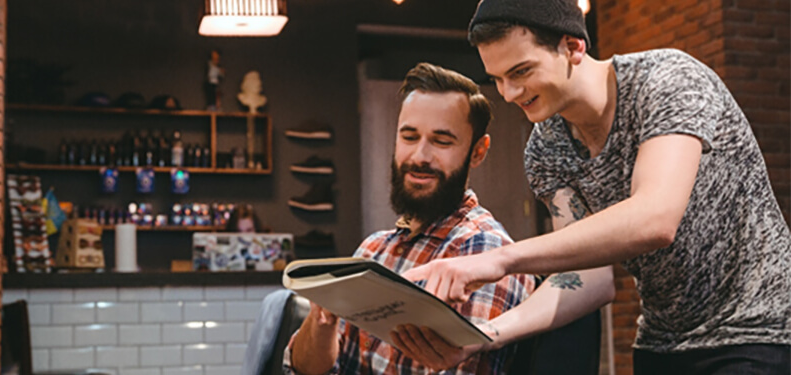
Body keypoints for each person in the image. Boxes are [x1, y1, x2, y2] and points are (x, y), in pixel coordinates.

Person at [402, 0, 791, 373]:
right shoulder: (546, 147)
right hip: (663, 341)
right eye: (498, 79)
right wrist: (485, 335)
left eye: (520, 72)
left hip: (760, 328)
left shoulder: (667, 80)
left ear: (573, 46)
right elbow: (589, 279)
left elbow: (655, 218)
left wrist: (499, 260)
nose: (508, 94)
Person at [282, 63, 536, 374]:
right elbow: (300, 369)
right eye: (409, 136)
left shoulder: (486, 252)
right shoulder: (373, 250)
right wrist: (321, 321)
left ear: (477, 152)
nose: (419, 156)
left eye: (442, 141)